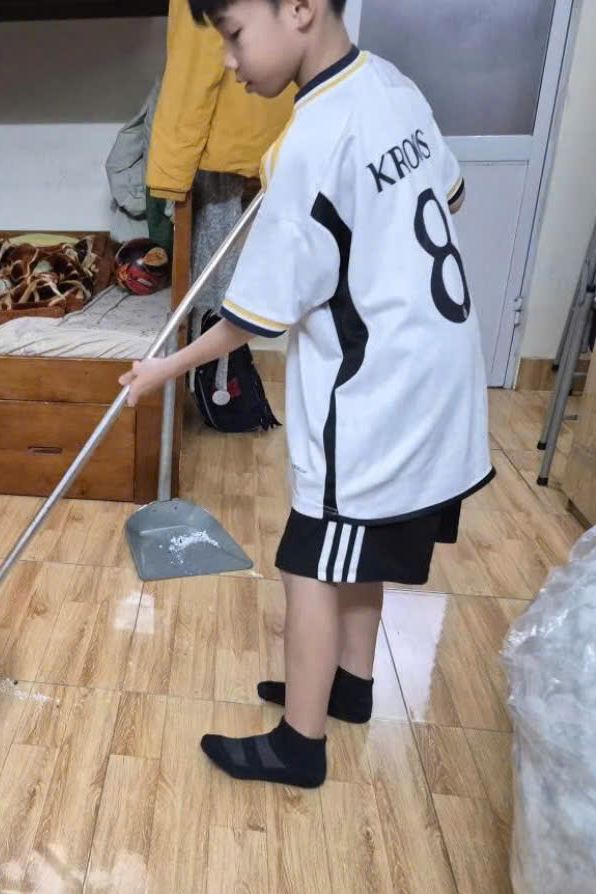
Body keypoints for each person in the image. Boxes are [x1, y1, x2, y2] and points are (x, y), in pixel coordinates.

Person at [122, 0, 492, 791]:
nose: (229, 61)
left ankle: (299, 745)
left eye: (234, 36)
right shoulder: (391, 87)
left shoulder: (313, 139)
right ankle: (348, 686)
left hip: (377, 393)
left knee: (311, 562)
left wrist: (161, 369)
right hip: (436, 376)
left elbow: (252, 317)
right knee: (361, 541)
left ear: (297, 8)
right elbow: (449, 196)